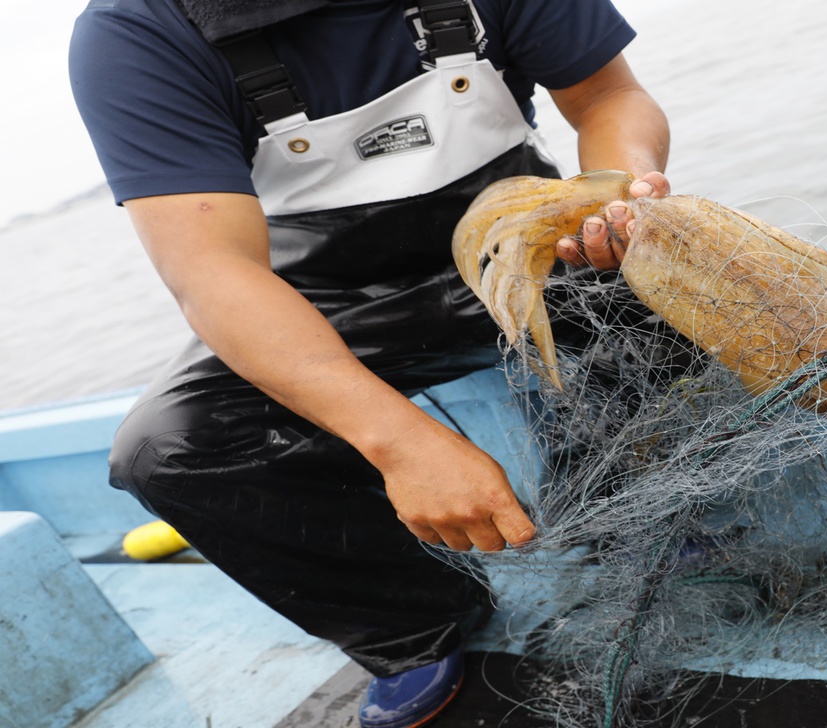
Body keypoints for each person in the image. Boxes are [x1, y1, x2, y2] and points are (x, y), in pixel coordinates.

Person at [69, 0, 669, 725]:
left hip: (526, 249)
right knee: (168, 451)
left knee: (681, 290)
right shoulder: (137, 30)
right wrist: (400, 441)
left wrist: (620, 192)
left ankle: (633, 500)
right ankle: (416, 625)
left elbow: (608, 94)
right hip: (328, 302)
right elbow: (213, 272)